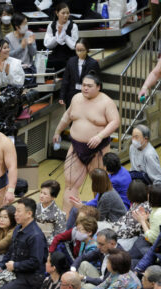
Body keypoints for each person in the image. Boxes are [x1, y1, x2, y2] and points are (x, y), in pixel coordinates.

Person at [53, 72, 120, 215]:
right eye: (83, 85)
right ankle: (66, 222)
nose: (85, 88)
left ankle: (98, 218)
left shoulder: (106, 102)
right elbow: (67, 117)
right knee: (70, 184)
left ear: (98, 87)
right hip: (76, 147)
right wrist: (57, 131)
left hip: (98, 150)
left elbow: (115, 121)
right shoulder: (76, 98)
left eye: (89, 86)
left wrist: (100, 136)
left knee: (99, 186)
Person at [0, 198, 48, 289]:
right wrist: (0, 265)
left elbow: (35, 262)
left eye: (19, 211)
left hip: (30, 278)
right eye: (16, 211)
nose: (15, 214)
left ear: (29, 214)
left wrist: (15, 265)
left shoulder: (36, 236)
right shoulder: (18, 228)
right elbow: (11, 251)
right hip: (16, 272)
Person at [130, 184, 161, 260]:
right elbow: (156, 230)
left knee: (134, 248)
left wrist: (142, 222)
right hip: (160, 247)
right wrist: (144, 220)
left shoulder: (157, 214)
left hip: (160, 252)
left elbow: (152, 238)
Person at [60, 38, 100, 107]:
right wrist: (62, 96)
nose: (79, 52)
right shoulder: (71, 61)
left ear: (87, 50)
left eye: (82, 50)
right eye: (77, 50)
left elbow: (98, 82)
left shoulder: (93, 63)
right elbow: (65, 80)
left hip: (87, 96)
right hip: (72, 96)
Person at [44, 3, 79, 71]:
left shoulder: (73, 26)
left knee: (69, 62)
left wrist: (64, 35)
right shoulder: (51, 25)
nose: (65, 15)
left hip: (69, 55)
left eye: (67, 13)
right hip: (56, 54)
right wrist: (58, 36)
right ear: (57, 13)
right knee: (47, 63)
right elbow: (47, 44)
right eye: (63, 13)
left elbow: (73, 46)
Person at [35, 180, 66, 245]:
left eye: (45, 194)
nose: (41, 196)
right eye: (41, 192)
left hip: (49, 244)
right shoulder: (34, 207)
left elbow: (60, 234)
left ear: (53, 197)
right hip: (33, 239)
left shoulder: (58, 213)